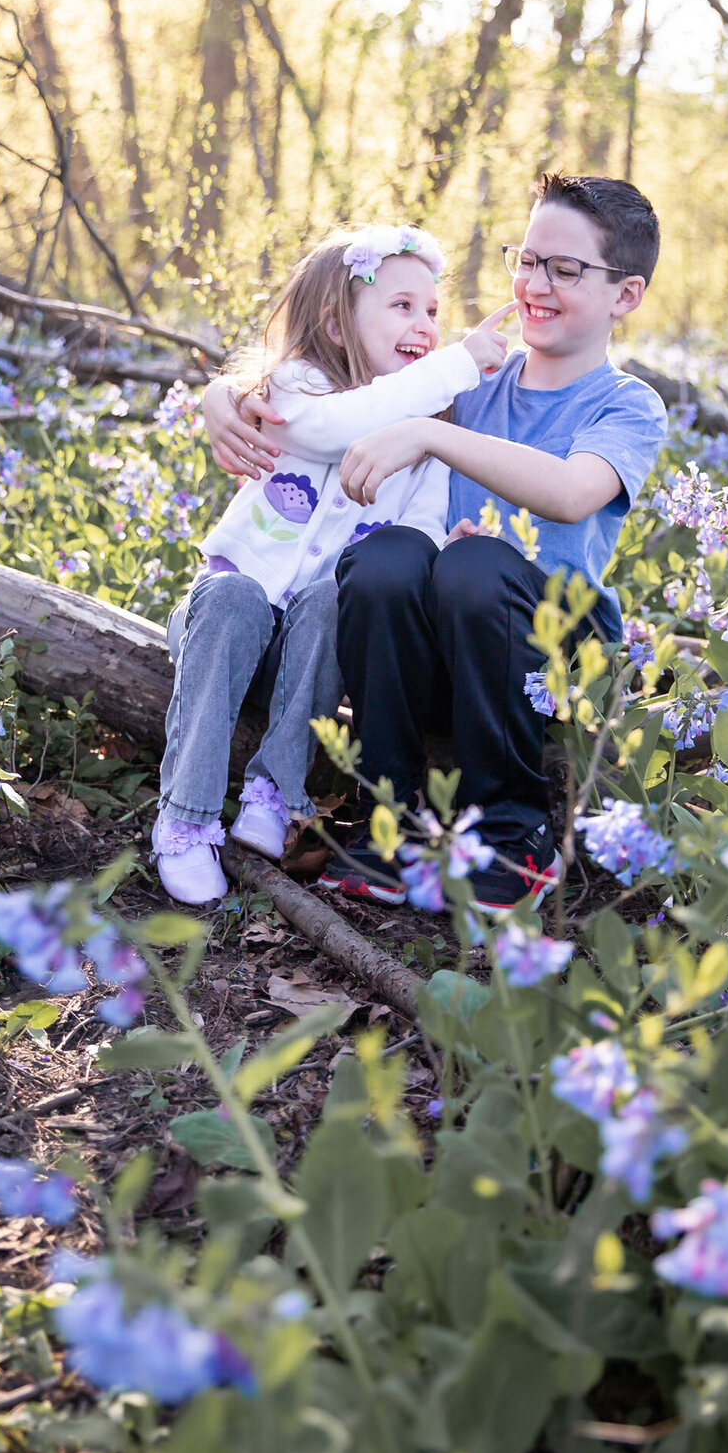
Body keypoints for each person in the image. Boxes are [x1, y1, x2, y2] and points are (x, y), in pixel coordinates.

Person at [204, 174, 667, 916]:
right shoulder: (470, 380)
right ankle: (392, 821)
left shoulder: (626, 404)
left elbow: (573, 492)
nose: (535, 284)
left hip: (547, 658)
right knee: (385, 556)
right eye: (528, 259)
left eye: (567, 269)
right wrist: (223, 399)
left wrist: (431, 432)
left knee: (476, 564)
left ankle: (512, 832)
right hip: (440, 653)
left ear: (626, 295)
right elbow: (335, 393)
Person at [153, 223, 510, 905]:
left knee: (332, 597)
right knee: (232, 597)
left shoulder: (429, 435)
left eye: (433, 311)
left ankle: (273, 793)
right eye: (401, 307)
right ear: (338, 327)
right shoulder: (295, 389)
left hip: (314, 658)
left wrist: (446, 547)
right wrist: (460, 361)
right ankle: (185, 820)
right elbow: (341, 426)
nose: (425, 325)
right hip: (224, 634)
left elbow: (414, 535)